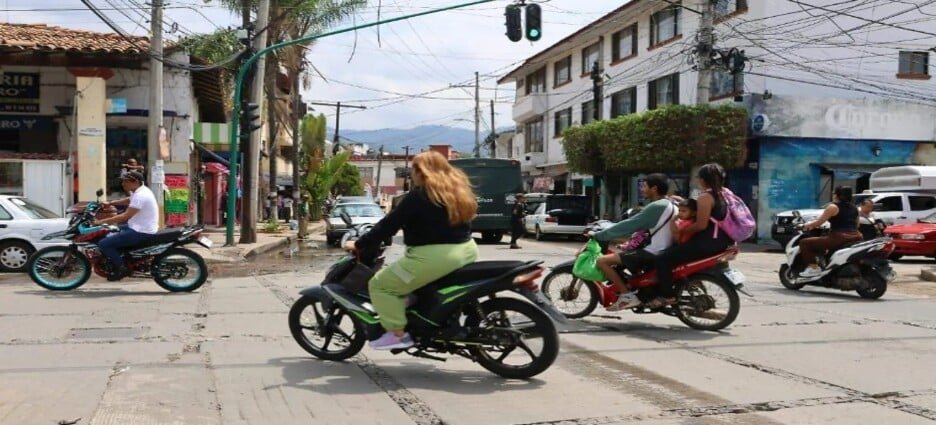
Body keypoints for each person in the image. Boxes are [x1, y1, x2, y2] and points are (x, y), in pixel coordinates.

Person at [344, 151, 479, 350]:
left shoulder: (419, 196)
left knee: (380, 286)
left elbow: (388, 225)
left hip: (433, 258)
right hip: (466, 251)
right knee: (417, 288)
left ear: (421, 172)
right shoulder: (457, 193)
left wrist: (359, 244)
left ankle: (398, 334)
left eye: (413, 170)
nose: (411, 174)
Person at [650, 164, 734, 309]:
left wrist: (683, 233)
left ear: (702, 179)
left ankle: (668, 296)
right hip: (722, 240)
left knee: (662, 259)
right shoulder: (724, 193)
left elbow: (700, 225)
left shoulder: (705, 197)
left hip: (707, 242)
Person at [593, 173, 676, 311]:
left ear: (654, 188)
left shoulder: (657, 206)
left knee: (602, 261)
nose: (642, 189)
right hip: (664, 250)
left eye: (644, 186)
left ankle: (627, 296)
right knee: (623, 254)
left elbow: (631, 224)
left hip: (652, 251)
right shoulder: (669, 203)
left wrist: (601, 234)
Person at [93, 171, 159, 281]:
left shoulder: (141, 196)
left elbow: (125, 216)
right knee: (108, 231)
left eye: (126, 181)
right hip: (137, 226)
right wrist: (111, 203)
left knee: (104, 244)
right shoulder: (139, 191)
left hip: (141, 231)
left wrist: (100, 222)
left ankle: (121, 268)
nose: (123, 184)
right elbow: (129, 200)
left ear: (136, 182)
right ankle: (121, 258)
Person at [799, 186, 863, 277]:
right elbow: (857, 225)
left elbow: (818, 223)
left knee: (804, 243)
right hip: (856, 236)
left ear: (837, 195)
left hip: (839, 238)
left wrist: (804, 225)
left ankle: (813, 268)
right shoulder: (855, 208)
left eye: (833, 193)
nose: (832, 195)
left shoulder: (833, 207)